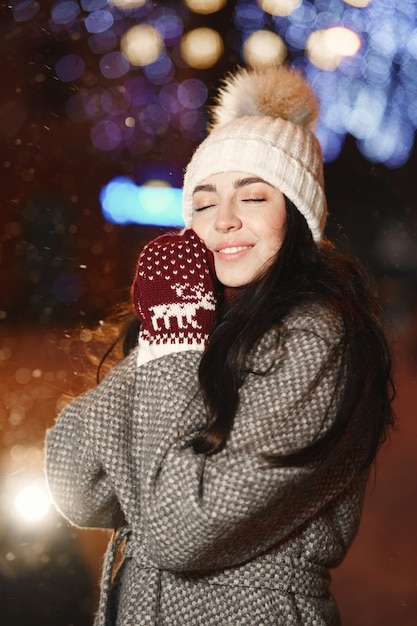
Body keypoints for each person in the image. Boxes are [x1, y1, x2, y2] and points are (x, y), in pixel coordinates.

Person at [46, 65, 395, 625]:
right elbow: (78, 488)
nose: (224, 220)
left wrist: (174, 343)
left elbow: (179, 531)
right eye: (204, 204)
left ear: (298, 217)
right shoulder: (192, 326)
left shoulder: (319, 341)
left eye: (253, 197)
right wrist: (168, 338)